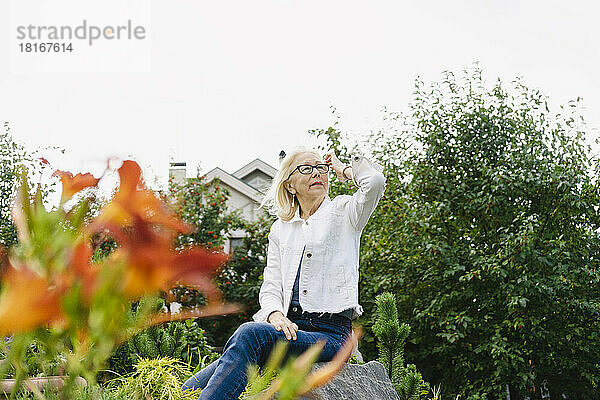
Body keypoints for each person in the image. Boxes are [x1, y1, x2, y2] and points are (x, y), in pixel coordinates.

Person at [182, 148, 386, 399]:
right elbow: (271, 284)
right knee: (190, 388)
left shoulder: (346, 213)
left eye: (321, 168)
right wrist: (275, 314)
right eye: (306, 168)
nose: (317, 173)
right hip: (288, 330)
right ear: (290, 185)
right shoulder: (281, 228)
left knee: (248, 334)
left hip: (331, 336)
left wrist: (342, 168)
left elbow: (374, 182)